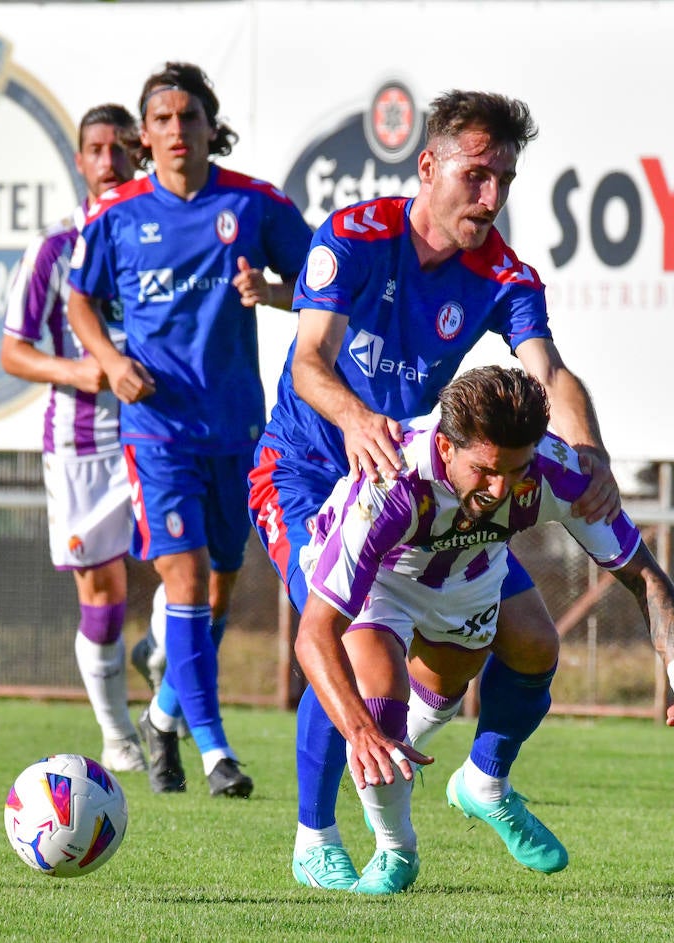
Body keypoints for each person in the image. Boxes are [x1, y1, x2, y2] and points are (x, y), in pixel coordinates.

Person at [247, 90, 623, 887]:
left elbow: (547, 374)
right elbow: (310, 358)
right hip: (310, 471)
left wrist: (590, 452)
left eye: (506, 181)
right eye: (477, 175)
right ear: (428, 166)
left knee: (531, 638)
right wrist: (353, 418)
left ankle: (483, 778)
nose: (491, 198)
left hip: (417, 486)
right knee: (341, 636)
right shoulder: (354, 237)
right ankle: (315, 836)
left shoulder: (503, 274)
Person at [294, 366, 674, 894]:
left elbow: (644, 576)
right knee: (378, 703)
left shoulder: (554, 472)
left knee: (531, 649)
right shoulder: (389, 487)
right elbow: (314, 634)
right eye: (485, 470)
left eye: (516, 468)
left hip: (470, 571)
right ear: (444, 447)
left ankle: (483, 782)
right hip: (383, 577)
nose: (501, 487)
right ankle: (394, 850)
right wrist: (360, 729)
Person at [66, 62, 313, 797]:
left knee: (217, 591)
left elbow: (325, 284)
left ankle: (166, 718)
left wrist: (271, 292)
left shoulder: (255, 205)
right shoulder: (117, 217)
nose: (177, 130)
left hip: (237, 428)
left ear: (211, 127)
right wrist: (110, 360)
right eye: (163, 119)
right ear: (147, 135)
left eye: (189, 117)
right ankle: (216, 752)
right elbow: (80, 302)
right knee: (185, 575)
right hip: (157, 431)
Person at [1, 103, 151, 774]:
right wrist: (78, 371)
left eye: (123, 147)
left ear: (140, 157)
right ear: (80, 161)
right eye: (98, 148)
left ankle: (165, 662)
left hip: (158, 432)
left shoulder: (162, 238)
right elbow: (12, 352)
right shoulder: (54, 249)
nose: (110, 159)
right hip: (82, 442)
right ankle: (117, 731)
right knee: (103, 589)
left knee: (199, 575)